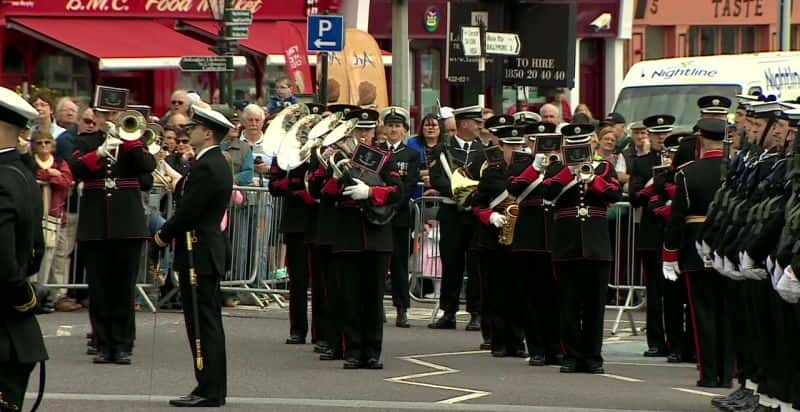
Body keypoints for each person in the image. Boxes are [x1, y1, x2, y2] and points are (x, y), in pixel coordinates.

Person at [154, 105, 233, 408]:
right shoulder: (209, 163)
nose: (190, 132)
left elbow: (189, 212)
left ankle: (209, 388)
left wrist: (162, 235)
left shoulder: (208, 165)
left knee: (203, 324)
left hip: (199, 251)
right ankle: (208, 385)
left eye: (195, 128)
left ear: (208, 133)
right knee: (204, 321)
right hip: (201, 248)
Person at [71, 100, 156, 365]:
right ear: (95, 116)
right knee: (99, 288)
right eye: (104, 113)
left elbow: (147, 171)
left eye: (114, 113)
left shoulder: (134, 143)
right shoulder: (86, 142)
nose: (109, 117)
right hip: (95, 223)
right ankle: (103, 342)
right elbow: (74, 170)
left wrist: (129, 142)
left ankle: (122, 345)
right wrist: (98, 153)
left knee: (123, 287)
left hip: (127, 223)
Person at [317, 110, 403, 369]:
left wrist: (371, 192)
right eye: (358, 131)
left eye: (367, 130)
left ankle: (373, 352)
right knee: (349, 297)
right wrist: (333, 179)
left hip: (377, 235)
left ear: (374, 131)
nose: (363, 135)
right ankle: (353, 351)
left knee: (374, 298)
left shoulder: (384, 159)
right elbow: (323, 196)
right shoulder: (337, 158)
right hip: (347, 235)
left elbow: (399, 191)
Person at [541, 123, 622, 374]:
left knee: (595, 305)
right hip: (567, 243)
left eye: (582, 145)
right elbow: (547, 191)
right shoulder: (556, 168)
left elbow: (615, 194)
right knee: (569, 304)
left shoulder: (604, 167)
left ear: (591, 144)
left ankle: (593, 357)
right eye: (573, 146)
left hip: (596, 244)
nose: (578, 151)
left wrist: (593, 179)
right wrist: (569, 172)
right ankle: (572, 356)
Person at [663, 118, 732, 388]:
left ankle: (708, 373)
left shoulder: (688, 173)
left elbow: (677, 219)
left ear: (700, 140)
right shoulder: (734, 170)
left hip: (695, 247)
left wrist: (669, 253)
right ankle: (727, 374)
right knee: (726, 312)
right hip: (728, 247)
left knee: (702, 314)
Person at [0, 86, 49, 412]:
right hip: (14, 332)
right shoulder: (22, 173)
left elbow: (2, 260)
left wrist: (20, 294)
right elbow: (36, 249)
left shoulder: (3, 178)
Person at [508, 122, 563, 366]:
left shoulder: (561, 166)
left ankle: (555, 348)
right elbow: (514, 188)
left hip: (555, 238)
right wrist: (534, 167)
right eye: (535, 141)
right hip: (528, 239)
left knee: (554, 298)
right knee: (531, 298)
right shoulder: (521, 165)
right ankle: (537, 349)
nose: (539, 146)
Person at [471, 126, 528, 358]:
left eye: (519, 145)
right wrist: (491, 216)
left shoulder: (529, 172)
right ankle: (499, 341)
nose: (515, 150)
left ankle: (518, 340)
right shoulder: (492, 172)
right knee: (495, 293)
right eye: (510, 146)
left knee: (519, 292)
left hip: (521, 238)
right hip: (493, 240)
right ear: (502, 147)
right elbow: (477, 203)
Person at [428, 105, 486, 331]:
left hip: (475, 215)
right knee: (451, 263)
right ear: (463, 124)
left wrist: (474, 195)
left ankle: (476, 313)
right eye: (475, 122)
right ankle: (449, 312)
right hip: (452, 213)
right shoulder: (443, 149)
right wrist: (460, 192)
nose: (480, 126)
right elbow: (437, 179)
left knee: (475, 265)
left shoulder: (484, 150)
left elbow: (489, 179)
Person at [380, 106, 420, 328]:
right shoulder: (377, 151)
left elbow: (410, 184)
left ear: (405, 130)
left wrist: (395, 205)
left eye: (397, 126)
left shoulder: (411, 155)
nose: (393, 130)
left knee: (399, 265)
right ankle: (377, 307)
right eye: (390, 125)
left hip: (399, 214)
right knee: (378, 265)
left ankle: (402, 309)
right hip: (377, 214)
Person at [31, 130, 79, 312]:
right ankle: (34, 295)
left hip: (55, 216)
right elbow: (30, 176)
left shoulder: (60, 162)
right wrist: (49, 174)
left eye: (47, 142)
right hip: (35, 216)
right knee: (36, 255)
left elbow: (66, 181)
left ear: (52, 144)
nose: (44, 146)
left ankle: (50, 296)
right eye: (40, 143)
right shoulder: (30, 161)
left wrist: (53, 175)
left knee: (54, 257)